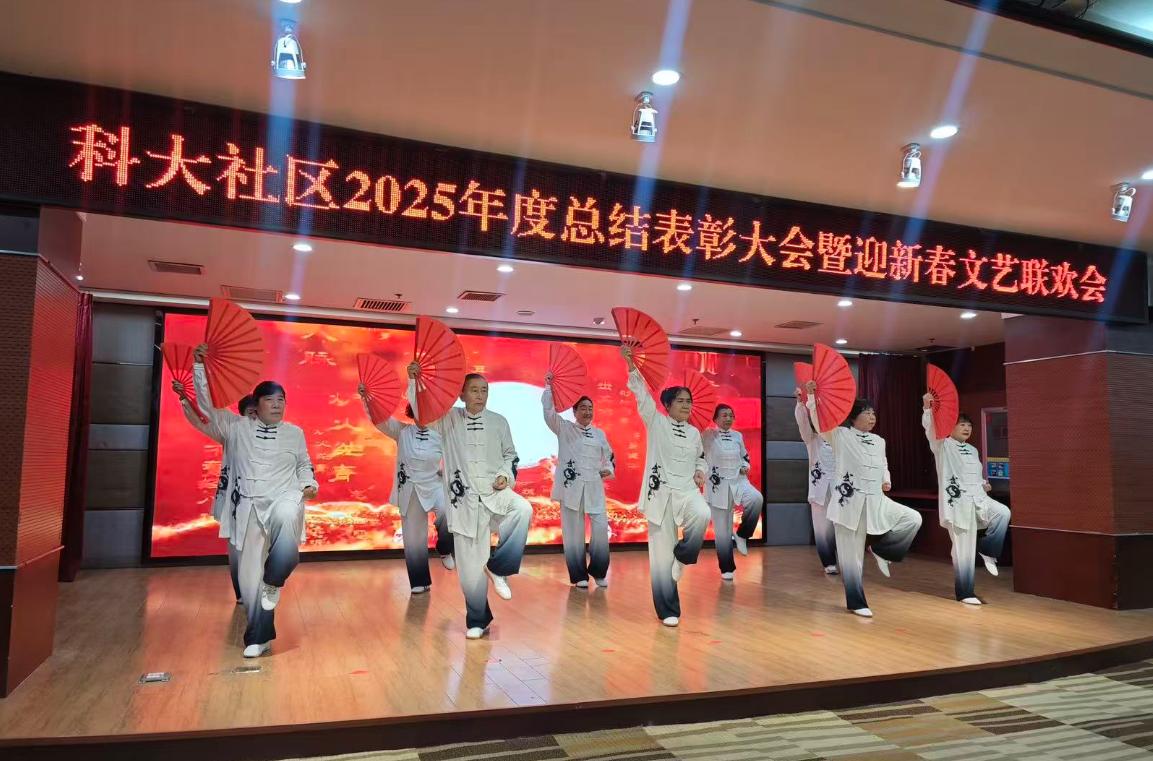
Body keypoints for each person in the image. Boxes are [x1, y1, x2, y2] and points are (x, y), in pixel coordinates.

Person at [192, 345, 318, 657]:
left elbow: (304, 464)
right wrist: (199, 367)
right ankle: (258, 637)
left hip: (283, 498)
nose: (277, 405)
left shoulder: (295, 433)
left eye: (281, 400)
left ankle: (275, 579)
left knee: (287, 515)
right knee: (250, 582)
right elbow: (206, 405)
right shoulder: (236, 430)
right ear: (256, 405)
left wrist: (309, 483)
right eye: (270, 400)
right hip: (248, 509)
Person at [410, 366, 531, 640]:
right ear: (461, 394)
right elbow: (422, 413)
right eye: (474, 390)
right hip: (463, 501)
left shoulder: (499, 422)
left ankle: (498, 568)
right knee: (469, 573)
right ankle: (478, 620)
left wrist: (504, 475)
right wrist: (414, 382)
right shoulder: (448, 419)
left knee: (522, 509)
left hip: (494, 493)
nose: (480, 395)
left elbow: (510, 455)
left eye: (484, 390)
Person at [805, 382, 922, 618]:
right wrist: (811, 398)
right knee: (852, 558)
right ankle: (856, 602)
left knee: (912, 519)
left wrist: (886, 479)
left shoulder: (879, 441)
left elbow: (883, 464)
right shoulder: (840, 435)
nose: (872, 417)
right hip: (849, 504)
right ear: (854, 417)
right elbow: (818, 423)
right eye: (867, 413)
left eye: (873, 413)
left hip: (877, 500)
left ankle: (882, 550)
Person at [622, 347, 710, 627]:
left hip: (687, 491)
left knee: (703, 514)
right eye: (680, 401)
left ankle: (682, 558)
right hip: (660, 495)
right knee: (661, 560)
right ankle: (668, 610)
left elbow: (701, 459)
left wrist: (700, 471)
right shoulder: (656, 422)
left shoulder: (695, 433)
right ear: (668, 405)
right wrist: (631, 366)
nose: (686, 405)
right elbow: (641, 395)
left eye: (689, 401)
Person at [359, 378, 454, 595]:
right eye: (419, 406)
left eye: (428, 407)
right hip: (410, 489)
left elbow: (455, 459)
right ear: (412, 409)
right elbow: (380, 419)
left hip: (435, 486)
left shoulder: (443, 435)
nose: (424, 411)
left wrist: (446, 472)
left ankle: (445, 548)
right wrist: (367, 397)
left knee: (448, 511)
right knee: (413, 538)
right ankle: (420, 580)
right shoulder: (402, 432)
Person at [922, 397, 1011, 605]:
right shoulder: (942, 445)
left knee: (1003, 513)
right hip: (958, 505)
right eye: (962, 424)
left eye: (969, 425)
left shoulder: (973, 450)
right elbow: (930, 430)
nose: (967, 428)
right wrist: (927, 409)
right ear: (950, 427)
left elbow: (975, 475)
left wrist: (983, 484)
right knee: (963, 550)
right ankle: (965, 592)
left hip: (979, 499)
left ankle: (988, 550)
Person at [175, 380, 255, 603]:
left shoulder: (275, 433)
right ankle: (241, 592)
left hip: (264, 500)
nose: (254, 417)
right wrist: (185, 397)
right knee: (237, 547)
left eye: (258, 412)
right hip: (236, 500)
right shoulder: (232, 429)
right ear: (241, 414)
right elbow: (205, 416)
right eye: (250, 412)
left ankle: (258, 589)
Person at [542, 374, 615, 588]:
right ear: (574, 412)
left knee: (600, 529)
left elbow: (609, 456)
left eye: (590, 408)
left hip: (594, 488)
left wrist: (608, 469)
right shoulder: (564, 428)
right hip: (571, 489)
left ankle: (599, 571)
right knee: (573, 535)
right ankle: (579, 575)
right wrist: (548, 387)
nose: (587, 412)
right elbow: (548, 412)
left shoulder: (599, 434)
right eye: (583, 408)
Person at [701, 404, 764, 580]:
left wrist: (745, 466)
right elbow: (699, 455)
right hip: (717, 486)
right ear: (715, 419)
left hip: (738, 481)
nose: (728, 418)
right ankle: (726, 568)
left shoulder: (738, 436)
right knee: (722, 532)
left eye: (730, 415)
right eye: (724, 415)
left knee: (756, 499)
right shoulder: (707, 435)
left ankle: (742, 535)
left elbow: (745, 457)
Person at [795, 388, 838, 574]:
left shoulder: (841, 439)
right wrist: (800, 403)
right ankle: (829, 563)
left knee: (840, 527)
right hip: (819, 491)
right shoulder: (812, 440)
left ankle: (846, 559)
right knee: (822, 528)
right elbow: (803, 423)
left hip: (840, 491)